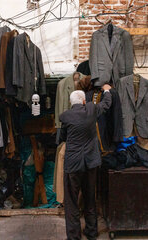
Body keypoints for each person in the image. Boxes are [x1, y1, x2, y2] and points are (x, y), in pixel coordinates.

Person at [59, 84, 112, 240]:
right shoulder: (91, 109)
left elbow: (61, 138)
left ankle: (74, 236)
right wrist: (107, 91)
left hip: (73, 164)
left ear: (71, 103)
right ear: (83, 101)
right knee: (90, 198)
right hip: (90, 163)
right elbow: (106, 104)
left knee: (71, 201)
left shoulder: (66, 116)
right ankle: (91, 231)